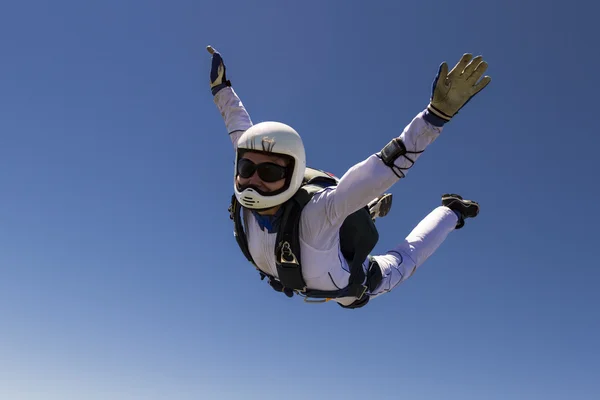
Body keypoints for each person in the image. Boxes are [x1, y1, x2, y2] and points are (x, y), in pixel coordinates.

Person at [207, 45, 491, 309]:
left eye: (269, 172)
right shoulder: (247, 197)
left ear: (292, 175)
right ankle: (363, 209)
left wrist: (434, 116)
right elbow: (240, 131)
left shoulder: (317, 214)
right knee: (343, 205)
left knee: (405, 259)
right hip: (309, 264)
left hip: (351, 285)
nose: (253, 181)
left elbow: (384, 167)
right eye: (246, 169)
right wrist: (222, 90)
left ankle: (452, 210)